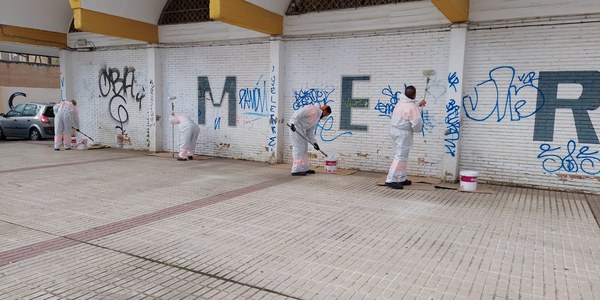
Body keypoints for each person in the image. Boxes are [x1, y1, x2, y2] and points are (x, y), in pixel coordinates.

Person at [384, 86, 426, 189]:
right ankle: (390, 179)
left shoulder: (401, 102)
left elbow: (410, 106)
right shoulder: (412, 107)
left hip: (394, 131)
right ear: (414, 95)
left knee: (402, 156)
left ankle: (401, 178)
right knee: (400, 157)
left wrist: (418, 105)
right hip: (403, 134)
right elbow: (416, 124)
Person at [288, 105, 331, 176]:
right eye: (327, 114)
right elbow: (299, 113)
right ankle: (296, 170)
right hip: (295, 127)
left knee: (304, 148)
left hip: (300, 129)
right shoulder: (313, 109)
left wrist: (314, 143)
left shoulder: (317, 118)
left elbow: (309, 132)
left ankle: (304, 168)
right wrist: (293, 123)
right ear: (325, 111)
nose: (326, 116)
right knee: (299, 148)